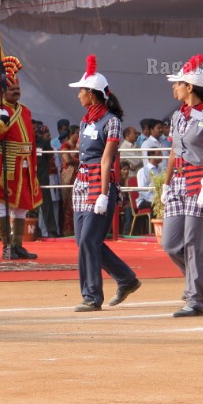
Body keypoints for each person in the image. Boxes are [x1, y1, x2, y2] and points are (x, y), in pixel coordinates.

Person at [69, 55, 142, 312]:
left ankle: (91, 296)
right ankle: (126, 279)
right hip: (82, 182)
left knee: (89, 240)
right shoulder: (86, 119)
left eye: (81, 91)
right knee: (85, 242)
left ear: (92, 93)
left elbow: (107, 158)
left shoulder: (111, 121)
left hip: (101, 183)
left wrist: (103, 193)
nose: (78, 95)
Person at [162, 54, 203, 317]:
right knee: (171, 243)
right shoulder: (177, 115)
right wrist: (165, 184)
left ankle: (195, 300)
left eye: (177, 83)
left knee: (194, 242)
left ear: (190, 87)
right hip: (178, 182)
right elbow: (172, 151)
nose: (174, 87)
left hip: (199, 181)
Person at [0, 57, 43, 260]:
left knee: (22, 206)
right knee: (4, 204)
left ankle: (18, 245)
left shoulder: (25, 111)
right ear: (3, 92)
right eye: (11, 89)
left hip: (26, 163)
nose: (16, 92)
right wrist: (2, 124)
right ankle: (6, 246)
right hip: (7, 163)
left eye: (18, 89)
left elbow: (32, 141)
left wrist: (34, 165)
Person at [34, 120, 60, 238]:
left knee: (46, 205)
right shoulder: (27, 143)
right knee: (30, 207)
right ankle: (34, 231)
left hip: (43, 178)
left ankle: (51, 231)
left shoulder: (44, 143)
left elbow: (50, 156)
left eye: (35, 129)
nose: (34, 131)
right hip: (29, 178)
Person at [59, 125, 80, 236]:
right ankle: (66, 231)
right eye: (77, 133)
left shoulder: (80, 145)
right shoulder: (65, 145)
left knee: (76, 203)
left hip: (77, 176)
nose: (79, 135)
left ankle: (75, 230)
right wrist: (76, 150)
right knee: (67, 204)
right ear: (71, 134)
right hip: (67, 176)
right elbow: (67, 159)